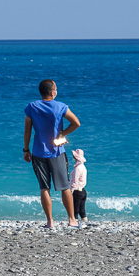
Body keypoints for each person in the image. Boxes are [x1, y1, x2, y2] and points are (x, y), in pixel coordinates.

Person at [23, 79, 81, 229]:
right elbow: (76, 123)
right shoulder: (60, 106)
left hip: (38, 152)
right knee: (65, 187)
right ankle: (72, 219)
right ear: (52, 92)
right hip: (57, 152)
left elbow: (27, 130)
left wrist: (25, 149)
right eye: (56, 89)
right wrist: (62, 134)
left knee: (44, 188)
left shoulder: (31, 107)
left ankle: (50, 222)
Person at [70, 148, 88, 224]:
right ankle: (86, 222)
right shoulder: (83, 167)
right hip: (83, 190)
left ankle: (75, 222)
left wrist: (71, 191)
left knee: (75, 210)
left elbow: (75, 181)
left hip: (77, 191)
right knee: (82, 211)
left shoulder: (77, 168)